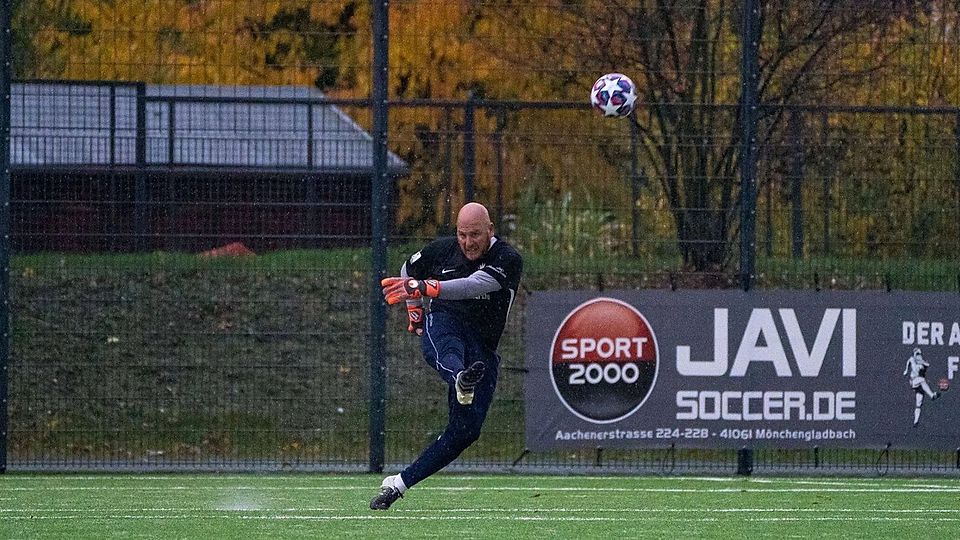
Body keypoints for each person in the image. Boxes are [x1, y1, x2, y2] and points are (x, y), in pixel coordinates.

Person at [369, 202, 523, 510]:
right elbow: (408, 271)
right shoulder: (442, 250)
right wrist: (414, 308)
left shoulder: (508, 258)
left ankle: (398, 484)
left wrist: (426, 287)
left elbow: (472, 285)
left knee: (466, 432)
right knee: (444, 339)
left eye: (476, 235)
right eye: (462, 234)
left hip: (482, 349)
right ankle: (459, 379)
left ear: (490, 230)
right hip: (446, 324)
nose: (468, 242)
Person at [904, 347, 940, 427]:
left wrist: (922, 363)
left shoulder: (922, 363)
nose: (918, 355)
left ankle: (916, 421)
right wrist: (906, 370)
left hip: (920, 386)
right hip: (914, 381)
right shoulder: (912, 359)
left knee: (918, 404)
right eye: (916, 354)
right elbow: (908, 362)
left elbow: (927, 364)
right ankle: (931, 395)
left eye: (919, 354)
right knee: (922, 380)